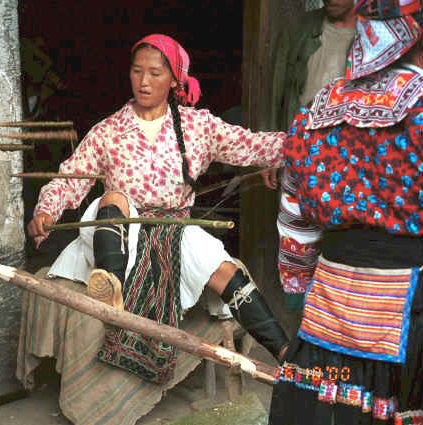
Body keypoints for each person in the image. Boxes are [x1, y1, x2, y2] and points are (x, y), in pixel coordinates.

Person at [27, 34, 289, 384]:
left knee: (226, 271)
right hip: (116, 233)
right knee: (114, 198)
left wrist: (305, 143)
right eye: (137, 72)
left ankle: (289, 357)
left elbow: (253, 146)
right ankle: (111, 284)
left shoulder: (198, 127)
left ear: (174, 79)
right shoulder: (108, 131)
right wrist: (46, 210)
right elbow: (69, 180)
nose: (144, 81)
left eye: (154, 73)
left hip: (173, 229)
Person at [270, 1, 423, 423]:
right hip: (411, 316)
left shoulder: (318, 110)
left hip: (329, 310)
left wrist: (298, 279)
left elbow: (295, 224)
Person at [265, 0, 357, 314]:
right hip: (301, 153)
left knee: (341, 246)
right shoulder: (300, 30)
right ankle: (301, 325)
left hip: (350, 160)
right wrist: (272, 152)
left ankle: (333, 323)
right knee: (297, 246)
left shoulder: (374, 35)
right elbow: (275, 88)